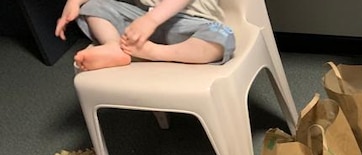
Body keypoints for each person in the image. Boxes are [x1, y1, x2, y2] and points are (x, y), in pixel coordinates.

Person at [55, 0, 236, 71]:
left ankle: (155, 52)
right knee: (93, 7)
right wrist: (74, 3)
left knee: (222, 36)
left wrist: (151, 20)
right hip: (140, 24)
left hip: (189, 23)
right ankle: (114, 46)